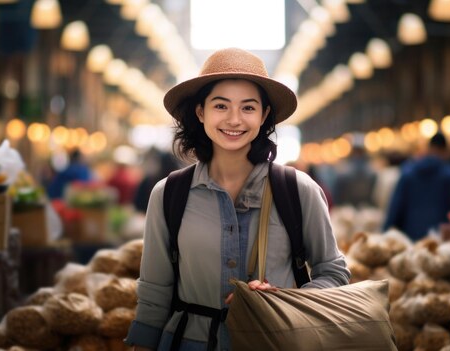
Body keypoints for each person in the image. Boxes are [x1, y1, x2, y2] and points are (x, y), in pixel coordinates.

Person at [125, 48, 350, 351]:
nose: (234, 119)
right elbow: (155, 289)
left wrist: (285, 300)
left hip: (274, 343)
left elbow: (333, 273)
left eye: (248, 107)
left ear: (264, 114)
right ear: (200, 111)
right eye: (221, 106)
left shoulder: (298, 190)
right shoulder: (168, 194)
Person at [383, 132, 450, 241]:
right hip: (440, 240)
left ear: (429, 148)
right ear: (445, 151)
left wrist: (385, 233)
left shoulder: (408, 172)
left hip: (410, 237)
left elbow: (396, 207)